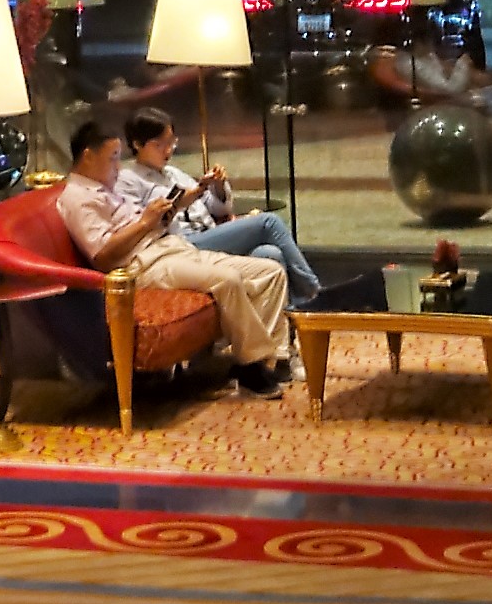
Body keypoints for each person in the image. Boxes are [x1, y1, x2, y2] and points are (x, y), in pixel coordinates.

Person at [59, 117, 292, 392]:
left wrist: (164, 214)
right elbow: (102, 257)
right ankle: (251, 363)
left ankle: (273, 359)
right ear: (88, 156)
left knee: (270, 272)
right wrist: (145, 222)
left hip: (171, 247)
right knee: (227, 279)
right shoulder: (78, 198)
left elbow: (142, 224)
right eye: (113, 158)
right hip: (143, 266)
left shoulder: (105, 188)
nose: (118, 166)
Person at [113, 105, 321, 305]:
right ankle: (314, 294)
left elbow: (217, 209)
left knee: (269, 253)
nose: (168, 150)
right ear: (137, 144)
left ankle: (290, 318)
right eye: (159, 144)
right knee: (269, 222)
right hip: (178, 245)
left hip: (209, 234)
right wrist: (185, 198)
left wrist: (218, 186)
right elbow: (142, 228)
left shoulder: (173, 173)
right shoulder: (128, 180)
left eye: (171, 142)